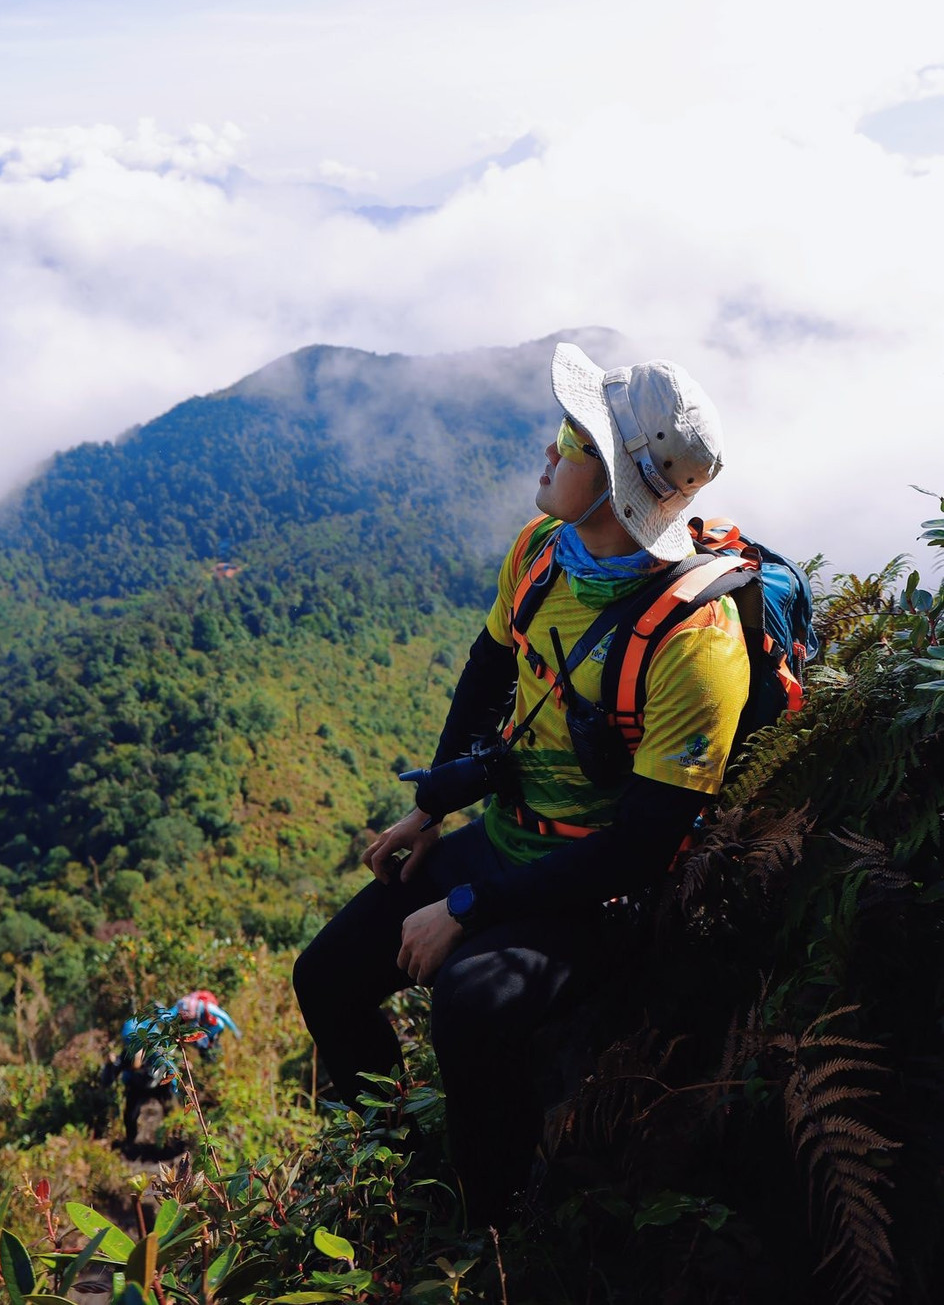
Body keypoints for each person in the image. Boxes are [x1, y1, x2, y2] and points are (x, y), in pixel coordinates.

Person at [293, 341, 750, 1227]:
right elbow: (487, 669)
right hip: (510, 838)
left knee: (468, 1004)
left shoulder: (698, 643)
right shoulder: (545, 550)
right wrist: (433, 807)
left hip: (601, 893)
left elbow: (644, 848)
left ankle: (490, 1223)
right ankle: (403, 1181)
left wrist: (467, 904)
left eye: (573, 439)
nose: (549, 449)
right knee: (326, 978)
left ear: (619, 484)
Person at [101, 1018, 178, 1146]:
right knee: (130, 1115)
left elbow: (172, 1070)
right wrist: (110, 1065)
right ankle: (131, 1142)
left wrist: (176, 1089)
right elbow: (108, 1080)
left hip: (160, 1085)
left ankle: (172, 1138)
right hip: (137, 1087)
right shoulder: (127, 1055)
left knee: (170, 1107)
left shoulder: (158, 1053)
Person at [173, 989, 241, 1058]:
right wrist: (236, 1031)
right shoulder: (208, 1007)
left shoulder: (200, 1014)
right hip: (195, 1017)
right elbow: (224, 1017)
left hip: (192, 1019)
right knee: (220, 1025)